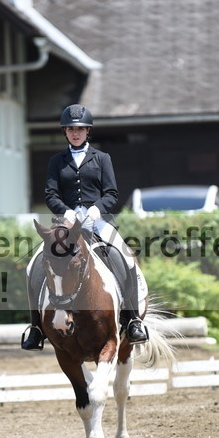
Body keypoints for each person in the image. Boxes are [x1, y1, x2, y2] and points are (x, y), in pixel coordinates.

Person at [21, 103, 149, 350]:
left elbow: (112, 193)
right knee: (33, 265)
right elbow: (50, 194)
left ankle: (132, 319)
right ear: (65, 132)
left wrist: (97, 209)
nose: (75, 133)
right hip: (67, 224)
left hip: (98, 221)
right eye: (70, 129)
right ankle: (36, 328)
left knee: (126, 258)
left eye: (79, 129)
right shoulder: (56, 161)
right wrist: (65, 211)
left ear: (87, 131)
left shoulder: (102, 158)